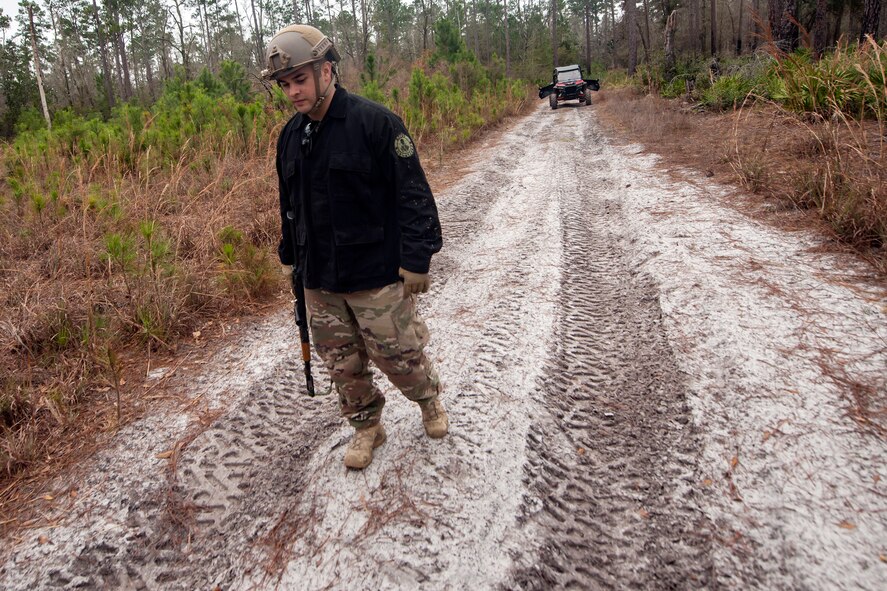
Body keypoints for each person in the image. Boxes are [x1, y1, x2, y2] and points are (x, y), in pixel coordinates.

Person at [262, 25, 448, 470]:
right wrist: (292, 257)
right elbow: (291, 205)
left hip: (375, 273)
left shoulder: (376, 124)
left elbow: (413, 195)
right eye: (285, 85)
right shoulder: (290, 137)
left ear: (328, 70)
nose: (292, 92)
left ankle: (429, 402)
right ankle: (367, 427)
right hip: (319, 278)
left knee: (400, 357)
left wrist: (417, 258)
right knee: (342, 365)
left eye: (300, 80)